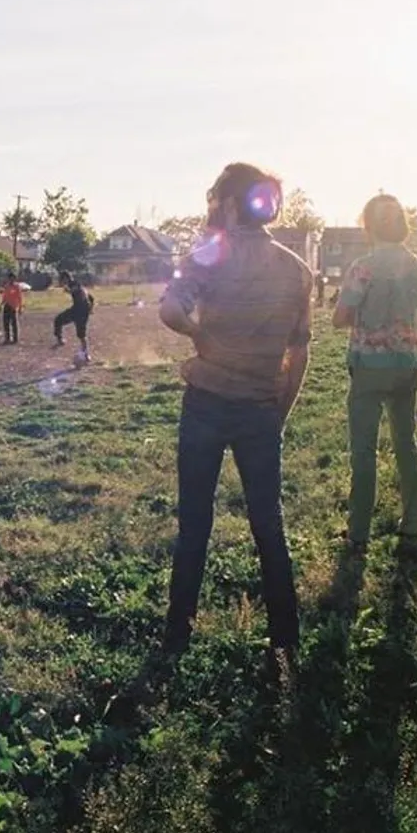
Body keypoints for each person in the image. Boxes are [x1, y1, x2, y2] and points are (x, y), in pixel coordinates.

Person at [158, 162, 313, 672]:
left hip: (205, 403)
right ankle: (285, 643)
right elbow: (300, 353)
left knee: (194, 523)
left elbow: (171, 311)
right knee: (269, 525)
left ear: (228, 204)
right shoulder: (297, 270)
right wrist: (278, 413)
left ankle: (177, 635)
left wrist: (200, 336)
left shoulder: (208, 256)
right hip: (261, 410)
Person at [332, 194, 417, 556]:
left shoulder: (363, 267)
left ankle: (359, 531)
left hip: (370, 366)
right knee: (406, 443)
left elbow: (341, 317)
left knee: (364, 450)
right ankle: (413, 523)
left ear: (368, 226)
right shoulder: (416, 265)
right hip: (407, 364)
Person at [52, 270, 93, 362]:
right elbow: (91, 297)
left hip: (81, 311)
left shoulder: (74, 284)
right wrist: (91, 308)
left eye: (62, 279)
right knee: (58, 320)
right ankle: (60, 339)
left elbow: (76, 290)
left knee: (81, 334)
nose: (61, 282)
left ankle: (86, 354)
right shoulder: (76, 284)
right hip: (78, 309)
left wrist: (69, 290)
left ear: (66, 278)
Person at [0, 275, 24, 344]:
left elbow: (20, 297)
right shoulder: (7, 286)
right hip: (7, 306)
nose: (11, 280)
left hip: (13, 307)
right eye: (10, 278)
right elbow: (4, 296)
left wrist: (20, 307)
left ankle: (15, 339)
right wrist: (1, 304)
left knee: (14, 323)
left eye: (12, 278)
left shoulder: (17, 287)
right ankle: (7, 338)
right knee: (6, 323)